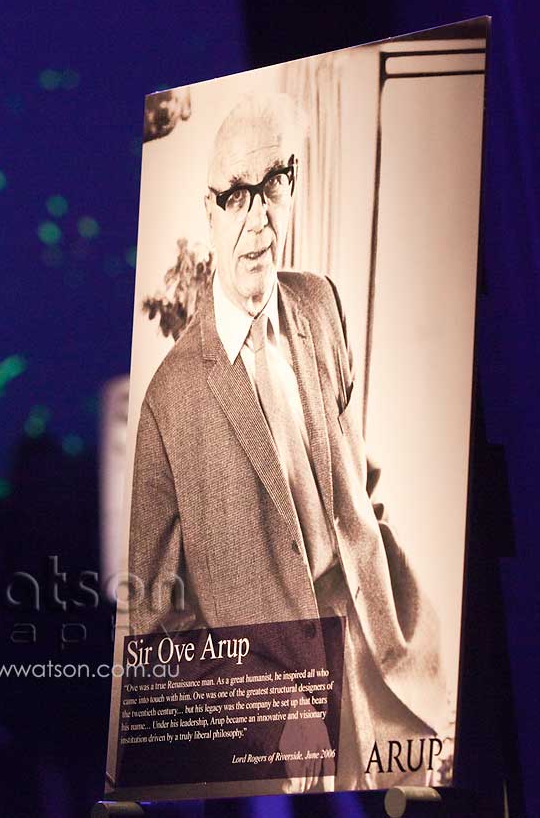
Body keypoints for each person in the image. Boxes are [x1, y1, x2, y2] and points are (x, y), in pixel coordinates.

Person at [127, 93, 446, 790]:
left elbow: (359, 479)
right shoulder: (166, 400)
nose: (259, 218)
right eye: (236, 195)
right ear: (209, 210)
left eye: (275, 183)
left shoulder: (321, 301)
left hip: (386, 661)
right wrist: (266, 712)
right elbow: (153, 625)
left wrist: (402, 618)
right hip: (277, 709)